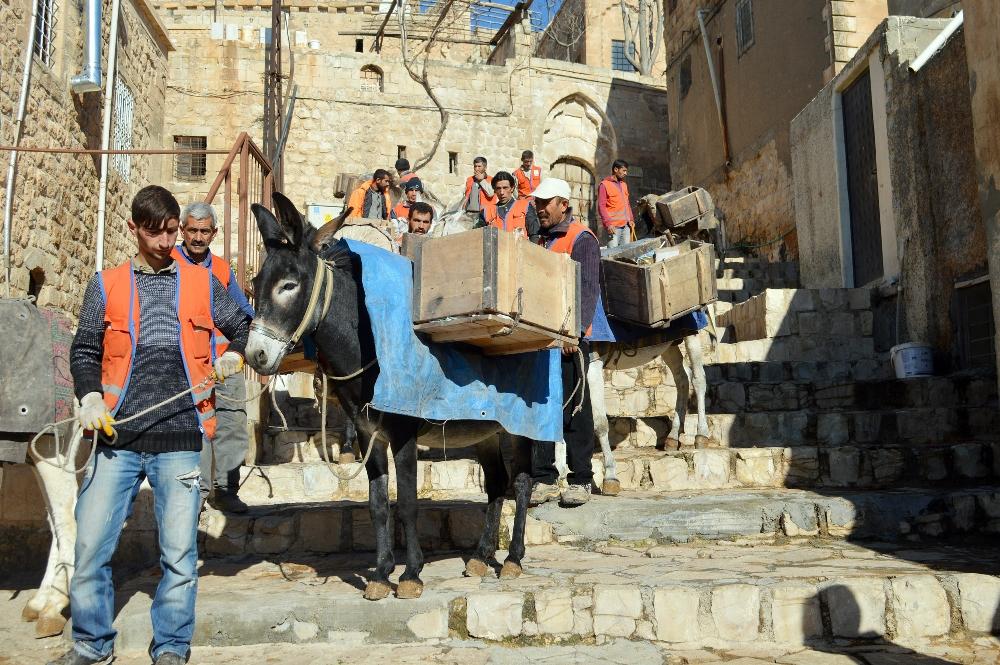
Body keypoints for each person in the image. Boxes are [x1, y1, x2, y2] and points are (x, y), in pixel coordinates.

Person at [52, 185, 250, 665]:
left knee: (180, 557)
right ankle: (92, 644)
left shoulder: (204, 283)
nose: (167, 241)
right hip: (117, 438)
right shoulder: (106, 284)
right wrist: (91, 395)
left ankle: (171, 648)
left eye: (172, 231)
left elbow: (244, 326)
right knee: (91, 545)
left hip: (182, 438)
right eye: (156, 232)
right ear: (133, 229)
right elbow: (84, 349)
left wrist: (234, 354)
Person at [172, 201, 255, 514]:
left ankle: (226, 489)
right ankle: (199, 493)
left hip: (225, 361)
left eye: (204, 231)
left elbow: (242, 311)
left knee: (232, 423)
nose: (197, 237)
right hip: (187, 363)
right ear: (182, 230)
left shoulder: (220, 269)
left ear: (214, 233)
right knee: (195, 428)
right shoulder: (169, 263)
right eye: (192, 230)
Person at [529, 178, 607, 507]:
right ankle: (544, 478)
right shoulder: (538, 239)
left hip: (570, 338)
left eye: (546, 203)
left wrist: (575, 331)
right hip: (541, 336)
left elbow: (588, 288)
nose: (539, 208)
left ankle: (580, 480)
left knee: (576, 406)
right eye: (537, 203)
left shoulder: (582, 239)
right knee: (541, 408)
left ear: (563, 204)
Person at [478, 171, 539, 239]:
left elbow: (535, 235)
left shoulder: (525, 206)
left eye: (505, 188)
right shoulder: (486, 212)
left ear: (512, 188)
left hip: (520, 249)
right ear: (494, 190)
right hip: (496, 249)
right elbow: (477, 238)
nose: (501, 192)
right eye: (498, 188)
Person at [598, 159, 634, 248]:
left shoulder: (624, 185)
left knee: (625, 255)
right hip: (613, 227)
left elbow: (627, 204)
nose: (626, 173)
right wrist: (608, 224)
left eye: (626, 171)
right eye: (624, 170)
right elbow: (601, 206)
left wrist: (631, 219)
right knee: (612, 254)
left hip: (626, 226)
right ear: (616, 170)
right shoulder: (604, 185)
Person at [461, 156, 496, 226]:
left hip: (486, 215)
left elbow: (490, 193)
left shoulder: (491, 179)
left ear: (485, 168)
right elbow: (466, 196)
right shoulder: (469, 179)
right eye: (475, 166)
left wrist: (481, 180)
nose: (477, 169)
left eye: (479, 166)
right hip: (469, 215)